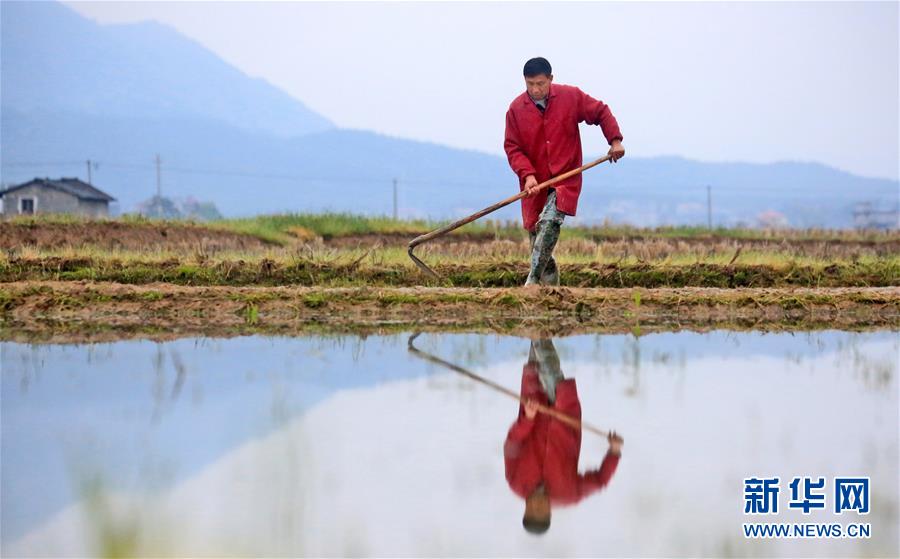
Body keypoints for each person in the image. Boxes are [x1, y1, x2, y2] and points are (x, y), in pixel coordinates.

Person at [504, 57, 625, 286]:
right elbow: (513, 147)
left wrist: (615, 140)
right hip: (535, 184)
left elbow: (600, 111)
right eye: (530, 84)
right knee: (538, 236)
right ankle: (550, 291)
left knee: (550, 222)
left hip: (564, 179)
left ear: (551, 79)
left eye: (540, 83)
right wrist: (527, 175)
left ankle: (531, 284)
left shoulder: (570, 97)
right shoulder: (516, 110)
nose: (535, 89)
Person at [504, 338, 623, 534]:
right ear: (550, 512)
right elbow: (600, 480)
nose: (537, 506)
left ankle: (539, 326)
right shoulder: (569, 495)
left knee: (535, 363)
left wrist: (528, 418)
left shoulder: (515, 483)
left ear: (525, 509)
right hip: (564, 416)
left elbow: (512, 443)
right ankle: (542, 329)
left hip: (535, 407)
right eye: (542, 511)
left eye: (532, 510)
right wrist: (614, 450)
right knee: (551, 371)